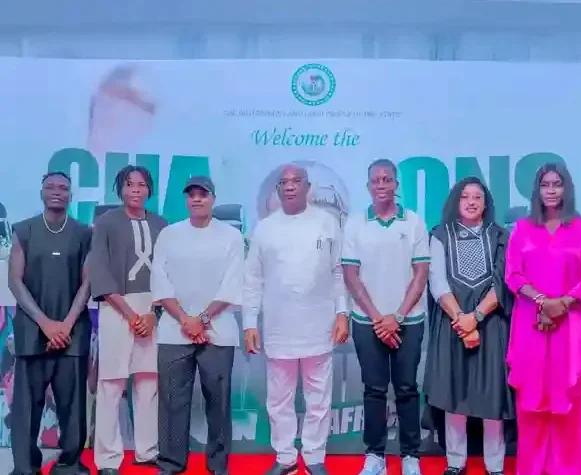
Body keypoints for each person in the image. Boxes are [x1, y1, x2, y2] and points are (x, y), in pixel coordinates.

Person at [243, 164, 349, 475]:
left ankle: (314, 457)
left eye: (296, 181)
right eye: (284, 182)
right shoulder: (265, 228)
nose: (289, 186)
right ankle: (285, 457)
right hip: (279, 328)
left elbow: (338, 272)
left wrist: (342, 313)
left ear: (308, 187)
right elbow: (252, 279)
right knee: (279, 400)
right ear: (277, 189)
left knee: (319, 398)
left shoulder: (327, 223)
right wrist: (249, 323)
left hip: (320, 326)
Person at [504, 162, 581, 475]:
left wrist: (562, 303)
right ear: (537, 190)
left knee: (570, 400)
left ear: (566, 188)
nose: (551, 190)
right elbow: (513, 275)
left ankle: (569, 469)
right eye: (545, 184)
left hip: (571, 324)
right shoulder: (522, 229)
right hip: (531, 323)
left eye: (556, 184)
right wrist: (543, 302)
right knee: (532, 401)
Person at [151, 176, 245, 475]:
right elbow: (160, 280)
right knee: (172, 402)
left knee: (218, 402)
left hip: (218, 330)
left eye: (203, 194)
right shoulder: (169, 234)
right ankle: (171, 463)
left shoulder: (231, 236)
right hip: (173, 330)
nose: (197, 199)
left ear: (213, 199)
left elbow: (233, 284)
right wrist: (185, 320)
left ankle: (218, 465)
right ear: (186, 200)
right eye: (191, 194)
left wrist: (201, 319)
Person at [341, 159, 429, 475]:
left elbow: (421, 274)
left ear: (396, 185)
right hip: (368, 322)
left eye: (387, 180)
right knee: (374, 389)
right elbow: (351, 276)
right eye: (375, 181)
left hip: (409, 320)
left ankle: (410, 456)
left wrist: (398, 317)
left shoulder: (414, 222)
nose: (381, 185)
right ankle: (375, 455)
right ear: (368, 186)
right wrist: (379, 319)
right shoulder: (354, 224)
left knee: (407, 388)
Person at [425, 177, 515, 475]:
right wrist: (461, 320)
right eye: (465, 196)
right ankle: (455, 462)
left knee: (492, 393)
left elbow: (502, 283)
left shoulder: (500, 236)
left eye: (477, 197)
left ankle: (495, 464)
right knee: (454, 392)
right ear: (456, 201)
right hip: (451, 322)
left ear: (486, 203)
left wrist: (474, 318)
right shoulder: (440, 235)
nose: (471, 202)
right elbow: (437, 282)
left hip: (491, 323)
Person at [7, 172, 92, 475]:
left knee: (73, 407)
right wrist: (45, 323)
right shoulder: (24, 230)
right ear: (41, 192)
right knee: (27, 407)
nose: (57, 192)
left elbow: (87, 283)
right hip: (33, 331)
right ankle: (25, 466)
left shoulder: (84, 233)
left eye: (64, 188)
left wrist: (66, 324)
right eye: (51, 187)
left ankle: (69, 464)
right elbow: (15, 281)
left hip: (72, 332)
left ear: (71, 195)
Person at [87, 165, 167, 475]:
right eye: (129, 184)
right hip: (116, 307)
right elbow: (99, 270)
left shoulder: (161, 225)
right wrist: (132, 315)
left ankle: (147, 451)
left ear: (150, 189)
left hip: (152, 309)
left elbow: (167, 272)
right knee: (111, 384)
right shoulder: (105, 222)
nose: (135, 189)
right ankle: (108, 459)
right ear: (120, 189)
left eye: (141, 184)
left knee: (149, 381)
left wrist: (153, 313)